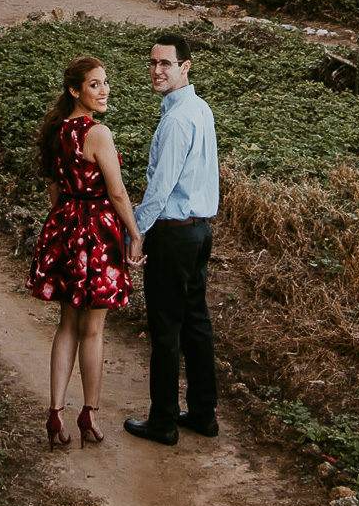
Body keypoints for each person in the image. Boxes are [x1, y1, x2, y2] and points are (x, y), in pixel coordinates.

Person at [27, 55, 142, 448]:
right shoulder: (98, 133)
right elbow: (117, 192)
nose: (104, 90)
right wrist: (135, 234)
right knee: (92, 330)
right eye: (95, 84)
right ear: (75, 90)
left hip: (65, 227)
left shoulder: (57, 131)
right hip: (97, 232)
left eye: (106, 82)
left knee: (66, 326)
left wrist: (63, 225)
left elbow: (54, 191)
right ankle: (89, 414)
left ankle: (55, 413)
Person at [123, 34, 220, 446]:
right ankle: (203, 414)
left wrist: (136, 233)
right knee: (196, 322)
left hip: (175, 233)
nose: (157, 70)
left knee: (166, 329)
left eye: (165, 63)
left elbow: (161, 189)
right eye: (152, 63)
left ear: (185, 66)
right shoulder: (199, 108)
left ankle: (163, 421)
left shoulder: (179, 119)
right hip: (199, 232)